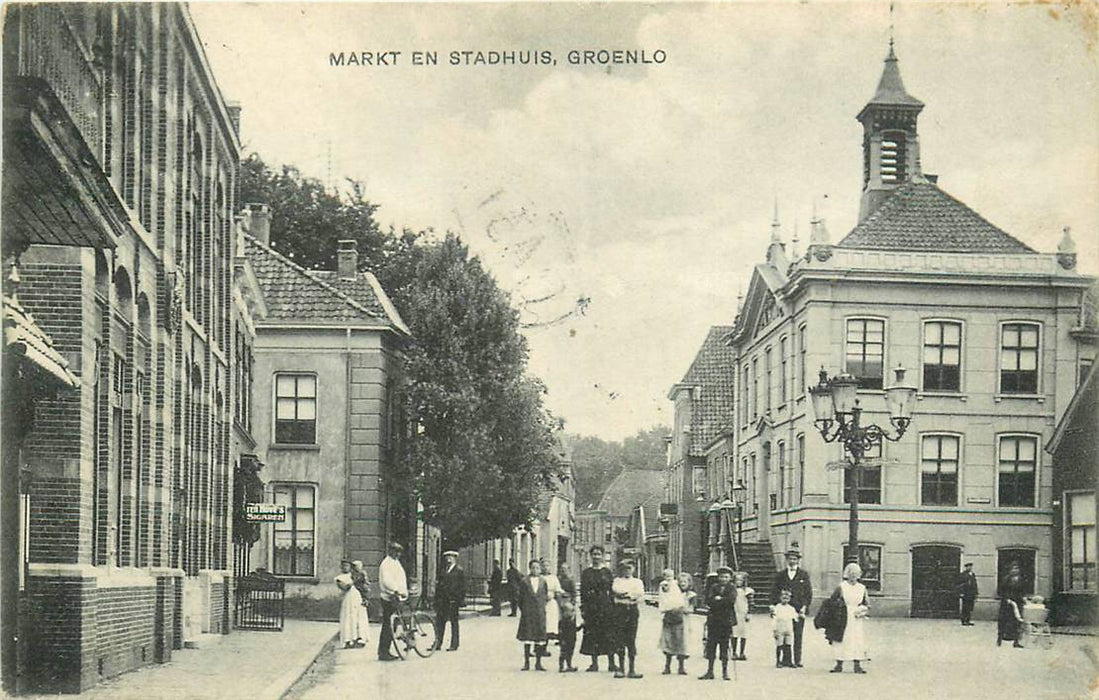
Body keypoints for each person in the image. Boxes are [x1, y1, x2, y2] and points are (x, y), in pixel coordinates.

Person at [772, 546, 812, 668]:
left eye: (794, 559)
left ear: (798, 560)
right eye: (790, 559)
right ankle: (785, 660)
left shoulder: (803, 575)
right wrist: (773, 606)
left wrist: (805, 606)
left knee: (798, 634)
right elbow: (774, 591)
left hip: (799, 609)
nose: (792, 561)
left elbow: (808, 593)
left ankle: (797, 659)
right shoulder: (781, 575)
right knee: (784, 633)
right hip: (784, 610)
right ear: (787, 560)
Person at [580, 545, 616, 672]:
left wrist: (613, 607)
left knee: (608, 634)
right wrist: (583, 608)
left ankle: (611, 663)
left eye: (598, 554)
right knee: (592, 634)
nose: (596, 557)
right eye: (594, 554)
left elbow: (611, 591)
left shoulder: (607, 572)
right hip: (591, 607)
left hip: (605, 606)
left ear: (602, 556)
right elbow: (583, 592)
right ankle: (594, 663)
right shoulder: (586, 573)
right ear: (591, 556)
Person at [828, 562, 870, 674]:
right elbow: (832, 600)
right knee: (842, 638)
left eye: (855, 574)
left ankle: (857, 664)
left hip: (856, 617)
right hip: (843, 615)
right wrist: (839, 607)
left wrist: (862, 610)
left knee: (857, 639)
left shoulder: (862, 588)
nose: (853, 576)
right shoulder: (841, 587)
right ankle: (839, 664)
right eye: (851, 573)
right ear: (847, 574)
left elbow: (867, 604)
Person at [699, 566, 737, 681]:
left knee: (724, 647)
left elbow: (730, 601)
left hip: (726, 621)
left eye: (726, 577)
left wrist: (719, 599)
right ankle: (710, 671)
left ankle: (725, 672)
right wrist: (718, 600)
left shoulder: (732, 588)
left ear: (730, 578)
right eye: (721, 576)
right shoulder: (713, 587)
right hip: (713, 620)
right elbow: (709, 600)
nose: (723, 579)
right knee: (711, 646)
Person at [610, 559, 645, 679]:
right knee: (619, 638)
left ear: (634, 569)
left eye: (629, 568)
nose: (627, 571)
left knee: (631, 639)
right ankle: (621, 668)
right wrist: (627, 595)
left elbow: (639, 595)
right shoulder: (617, 581)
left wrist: (628, 595)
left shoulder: (638, 582)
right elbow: (616, 592)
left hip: (632, 611)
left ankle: (632, 668)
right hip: (620, 611)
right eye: (625, 568)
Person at [377, 542, 408, 661]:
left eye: (399, 552)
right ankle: (383, 652)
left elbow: (400, 578)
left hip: (397, 596)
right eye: (396, 551)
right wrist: (396, 590)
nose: (398, 554)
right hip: (389, 597)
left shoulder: (395, 562)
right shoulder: (386, 563)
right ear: (391, 551)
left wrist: (403, 591)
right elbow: (387, 581)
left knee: (393, 624)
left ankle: (386, 650)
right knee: (388, 625)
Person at [517, 559, 549, 671]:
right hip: (528, 613)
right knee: (527, 638)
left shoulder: (543, 581)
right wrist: (525, 610)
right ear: (529, 568)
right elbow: (520, 598)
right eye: (533, 567)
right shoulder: (524, 581)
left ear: (540, 569)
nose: (535, 570)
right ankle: (526, 663)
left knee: (539, 639)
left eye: (537, 568)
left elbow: (545, 596)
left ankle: (538, 663)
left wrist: (541, 608)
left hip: (539, 613)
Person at [657, 568, 690, 676]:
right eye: (666, 576)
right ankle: (667, 666)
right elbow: (664, 593)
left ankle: (681, 666)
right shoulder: (667, 586)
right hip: (669, 616)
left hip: (681, 619)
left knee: (681, 642)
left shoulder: (687, 593)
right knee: (668, 641)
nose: (682, 584)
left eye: (685, 582)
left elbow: (690, 608)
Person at [434, 550, 465, 651]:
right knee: (440, 622)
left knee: (454, 622)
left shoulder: (459, 570)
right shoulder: (443, 570)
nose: (448, 559)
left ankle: (454, 644)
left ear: (455, 558)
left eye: (451, 557)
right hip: (443, 600)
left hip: (453, 600)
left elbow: (462, 587)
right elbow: (439, 586)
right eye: (447, 557)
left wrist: (459, 600)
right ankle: (437, 643)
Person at [336, 559, 366, 649]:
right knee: (348, 618)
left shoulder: (355, 575)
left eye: (347, 566)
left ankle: (359, 638)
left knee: (359, 617)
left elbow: (363, 585)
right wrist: (353, 582)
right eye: (343, 566)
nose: (345, 567)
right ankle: (348, 640)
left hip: (357, 598)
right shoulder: (340, 578)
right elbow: (345, 587)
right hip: (348, 600)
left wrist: (364, 596)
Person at [997, 562, 1026, 648]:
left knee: (1017, 622)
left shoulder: (1021, 580)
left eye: (1017, 568)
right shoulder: (1006, 579)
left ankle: (1016, 641)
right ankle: (1000, 638)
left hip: (1018, 603)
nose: (1015, 570)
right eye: (1013, 568)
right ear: (1010, 570)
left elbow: (1023, 591)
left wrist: (1023, 598)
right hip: (1007, 604)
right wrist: (1006, 599)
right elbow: (1001, 591)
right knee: (1004, 621)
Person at [772, 588, 798, 668]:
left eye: (787, 598)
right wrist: (774, 630)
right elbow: (774, 619)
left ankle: (788, 661)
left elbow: (795, 618)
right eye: (783, 598)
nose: (785, 600)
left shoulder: (791, 608)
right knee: (779, 645)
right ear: (780, 598)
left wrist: (799, 615)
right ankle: (778, 661)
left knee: (788, 644)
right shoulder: (777, 607)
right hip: (780, 628)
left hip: (788, 628)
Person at [732, 571, 753, 660]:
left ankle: (742, 652)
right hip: (734, 613)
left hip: (743, 613)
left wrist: (749, 613)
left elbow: (751, 603)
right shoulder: (732, 590)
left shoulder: (747, 591)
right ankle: (734, 652)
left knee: (743, 634)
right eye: (737, 580)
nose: (738, 582)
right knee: (734, 633)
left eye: (741, 580)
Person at [558, 594, 581, 672]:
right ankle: (561, 666)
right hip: (566, 637)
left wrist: (580, 626)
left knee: (570, 651)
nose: (571, 613)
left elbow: (575, 629)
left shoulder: (572, 621)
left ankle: (569, 665)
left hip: (572, 637)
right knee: (564, 651)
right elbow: (561, 631)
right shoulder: (563, 622)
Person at [542, 559, 562, 647]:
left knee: (549, 624)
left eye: (547, 566)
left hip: (551, 603)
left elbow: (558, 590)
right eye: (544, 566)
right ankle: (539, 647)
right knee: (541, 624)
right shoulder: (539, 578)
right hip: (540, 603)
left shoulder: (553, 578)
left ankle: (545, 646)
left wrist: (554, 595)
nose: (545, 568)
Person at [351, 560, 371, 644]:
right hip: (355, 593)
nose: (356, 568)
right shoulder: (352, 574)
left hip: (361, 591)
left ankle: (362, 635)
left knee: (361, 615)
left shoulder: (362, 573)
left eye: (358, 566)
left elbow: (366, 583)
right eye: (355, 566)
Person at [958, 562, 978, 626]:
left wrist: (976, 593)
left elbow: (975, 584)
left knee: (970, 608)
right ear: (966, 567)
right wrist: (961, 593)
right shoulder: (963, 574)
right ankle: (963, 620)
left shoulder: (972, 574)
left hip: (971, 594)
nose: (970, 568)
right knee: (965, 607)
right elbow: (959, 584)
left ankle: (968, 620)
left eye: (970, 566)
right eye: (968, 566)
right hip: (965, 593)